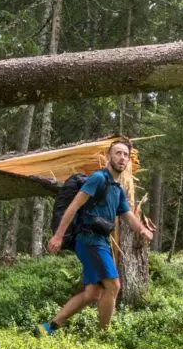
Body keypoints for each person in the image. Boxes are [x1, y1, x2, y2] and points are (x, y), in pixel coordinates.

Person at [35, 138, 153, 336]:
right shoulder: (98, 178)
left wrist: (142, 229)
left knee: (93, 293)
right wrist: (58, 236)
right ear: (109, 156)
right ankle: (103, 337)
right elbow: (74, 206)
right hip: (89, 240)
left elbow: (129, 216)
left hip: (100, 242)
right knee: (114, 286)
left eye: (126, 155)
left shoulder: (118, 189)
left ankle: (48, 328)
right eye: (118, 153)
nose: (122, 158)